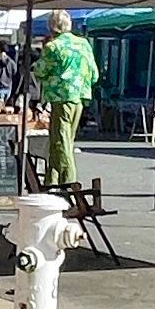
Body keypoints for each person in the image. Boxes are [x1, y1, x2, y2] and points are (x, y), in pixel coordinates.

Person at [31, 19, 97, 190]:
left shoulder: (53, 46)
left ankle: (69, 182)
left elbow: (40, 71)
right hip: (79, 98)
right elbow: (94, 74)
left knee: (61, 142)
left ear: (52, 27)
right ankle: (51, 180)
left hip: (61, 97)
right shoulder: (84, 44)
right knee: (61, 140)